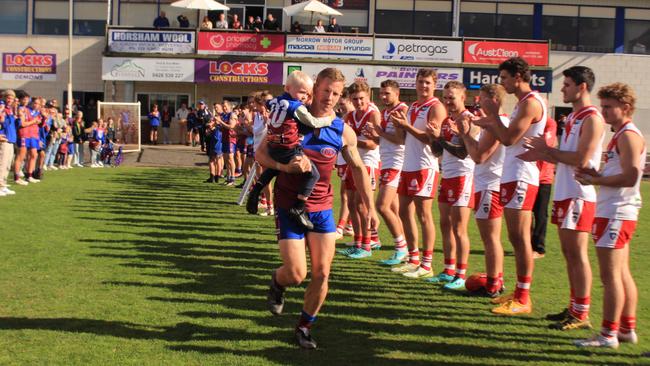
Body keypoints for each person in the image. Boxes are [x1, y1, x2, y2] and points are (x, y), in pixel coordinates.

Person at [259, 67, 379, 350]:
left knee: (322, 273)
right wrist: (284, 166)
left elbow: (359, 168)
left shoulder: (342, 129)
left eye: (336, 94)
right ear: (314, 91)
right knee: (296, 273)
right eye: (326, 91)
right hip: (289, 205)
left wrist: (371, 207)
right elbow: (260, 153)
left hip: (322, 208)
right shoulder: (290, 119)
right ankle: (278, 282)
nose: (330, 97)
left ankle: (304, 326)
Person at [522, 66, 605, 330]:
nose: (562, 88)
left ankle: (582, 313)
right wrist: (541, 153)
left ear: (581, 87)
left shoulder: (592, 118)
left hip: (579, 195)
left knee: (577, 253)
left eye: (567, 84)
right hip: (565, 192)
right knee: (569, 254)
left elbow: (581, 159)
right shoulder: (572, 117)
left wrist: (548, 152)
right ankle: (574, 307)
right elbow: (563, 155)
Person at [473, 57, 547, 315]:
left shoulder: (531, 103)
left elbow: (508, 139)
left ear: (518, 76)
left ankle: (523, 298)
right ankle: (517, 292)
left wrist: (492, 116)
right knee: (515, 238)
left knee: (520, 238)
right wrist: (484, 122)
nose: (502, 83)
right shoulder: (523, 104)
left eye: (504, 77)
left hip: (522, 176)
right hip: (513, 175)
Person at [573, 83, 644, 349]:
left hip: (616, 211)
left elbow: (631, 175)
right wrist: (596, 176)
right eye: (601, 106)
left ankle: (608, 334)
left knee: (610, 276)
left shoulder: (628, 135)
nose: (602, 111)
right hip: (615, 210)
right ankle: (626, 329)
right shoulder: (622, 134)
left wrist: (597, 179)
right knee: (622, 273)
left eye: (608, 107)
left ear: (625, 108)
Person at [246, 71, 335, 228]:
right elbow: (313, 122)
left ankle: (256, 190)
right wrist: (329, 119)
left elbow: (268, 105)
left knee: (274, 169)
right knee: (313, 174)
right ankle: (299, 207)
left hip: (273, 146)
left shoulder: (274, 101)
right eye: (301, 92)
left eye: (307, 94)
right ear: (287, 88)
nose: (303, 97)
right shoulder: (296, 106)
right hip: (288, 147)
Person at [389, 69, 446, 279]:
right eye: (421, 82)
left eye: (428, 83)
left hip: (425, 165)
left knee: (424, 214)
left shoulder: (436, 107)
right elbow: (404, 138)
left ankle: (427, 263)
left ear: (434, 85)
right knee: (404, 211)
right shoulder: (413, 106)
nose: (424, 86)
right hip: (408, 164)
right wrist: (399, 126)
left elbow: (431, 139)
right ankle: (413, 258)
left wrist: (406, 126)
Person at [457, 83, 508, 297]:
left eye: (482, 98)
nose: (478, 102)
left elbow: (479, 156)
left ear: (493, 100)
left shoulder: (497, 123)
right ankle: (497, 279)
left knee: (490, 238)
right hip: (488, 183)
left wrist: (465, 135)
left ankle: (493, 285)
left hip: (490, 184)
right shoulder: (496, 121)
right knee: (491, 237)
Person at [428, 81, 478, 289]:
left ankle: (460, 273)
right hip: (447, 176)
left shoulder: (469, 120)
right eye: (446, 97)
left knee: (459, 228)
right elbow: (437, 152)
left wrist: (440, 137)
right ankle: (448, 270)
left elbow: (462, 152)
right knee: (445, 225)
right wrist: (433, 138)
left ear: (462, 98)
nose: (448, 101)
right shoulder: (447, 120)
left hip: (463, 177)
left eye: (452, 97)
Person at [365, 80, 408, 265]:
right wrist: (374, 135)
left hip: (397, 163)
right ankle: (406, 251)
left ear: (397, 93)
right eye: (381, 93)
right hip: (387, 161)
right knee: (394, 209)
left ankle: (401, 248)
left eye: (387, 93)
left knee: (382, 206)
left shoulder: (401, 110)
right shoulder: (386, 112)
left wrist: (379, 133)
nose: (383, 97)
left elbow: (400, 140)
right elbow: (385, 140)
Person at [339, 81, 382, 259]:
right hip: (353, 160)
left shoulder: (373, 114)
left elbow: (373, 144)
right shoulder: (350, 116)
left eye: (361, 98)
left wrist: (353, 140)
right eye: (355, 99)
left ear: (368, 96)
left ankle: (367, 245)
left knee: (361, 204)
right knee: (350, 202)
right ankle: (358, 241)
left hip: (369, 162)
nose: (358, 102)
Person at [530, 117, 557, 259]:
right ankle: (527, 245)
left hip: (543, 177)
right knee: (526, 212)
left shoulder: (550, 123)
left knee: (540, 213)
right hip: (528, 176)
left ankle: (539, 248)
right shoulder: (528, 121)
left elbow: (546, 143)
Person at [334, 89, 355, 239]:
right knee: (347, 194)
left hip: (353, 158)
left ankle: (341, 227)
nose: (339, 107)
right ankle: (349, 226)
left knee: (347, 194)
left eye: (342, 103)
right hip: (343, 157)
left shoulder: (356, 115)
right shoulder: (346, 116)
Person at [14, 93, 42, 185]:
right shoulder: (21, 109)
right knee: (21, 156)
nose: (26, 101)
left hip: (33, 135)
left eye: (27, 99)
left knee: (34, 155)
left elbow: (39, 124)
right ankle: (17, 177)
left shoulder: (29, 110)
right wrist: (34, 121)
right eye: (24, 99)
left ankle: (29, 176)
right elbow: (22, 124)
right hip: (24, 135)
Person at [0, 90, 18, 195]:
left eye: (12, 98)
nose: (10, 100)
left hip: (11, 139)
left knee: (7, 164)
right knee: (2, 163)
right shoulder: (2, 107)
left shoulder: (10, 109)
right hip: (4, 139)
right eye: (8, 97)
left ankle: (3, 185)